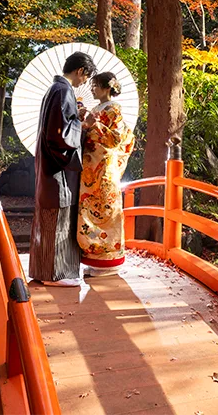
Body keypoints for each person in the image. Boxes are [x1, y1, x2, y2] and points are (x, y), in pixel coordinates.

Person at [31, 51, 96, 286]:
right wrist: (83, 124)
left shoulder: (54, 90)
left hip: (48, 166)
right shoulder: (63, 90)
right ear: (80, 71)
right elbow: (60, 136)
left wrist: (74, 118)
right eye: (86, 78)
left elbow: (59, 125)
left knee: (49, 222)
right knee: (58, 221)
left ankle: (43, 271)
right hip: (57, 170)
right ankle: (54, 275)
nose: (85, 83)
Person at [77, 72, 135, 276]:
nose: (92, 89)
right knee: (87, 212)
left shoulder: (114, 109)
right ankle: (93, 260)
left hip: (104, 167)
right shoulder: (96, 108)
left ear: (108, 87)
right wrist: (82, 120)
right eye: (92, 85)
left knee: (106, 212)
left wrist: (96, 125)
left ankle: (110, 262)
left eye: (96, 85)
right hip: (90, 168)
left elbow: (116, 140)